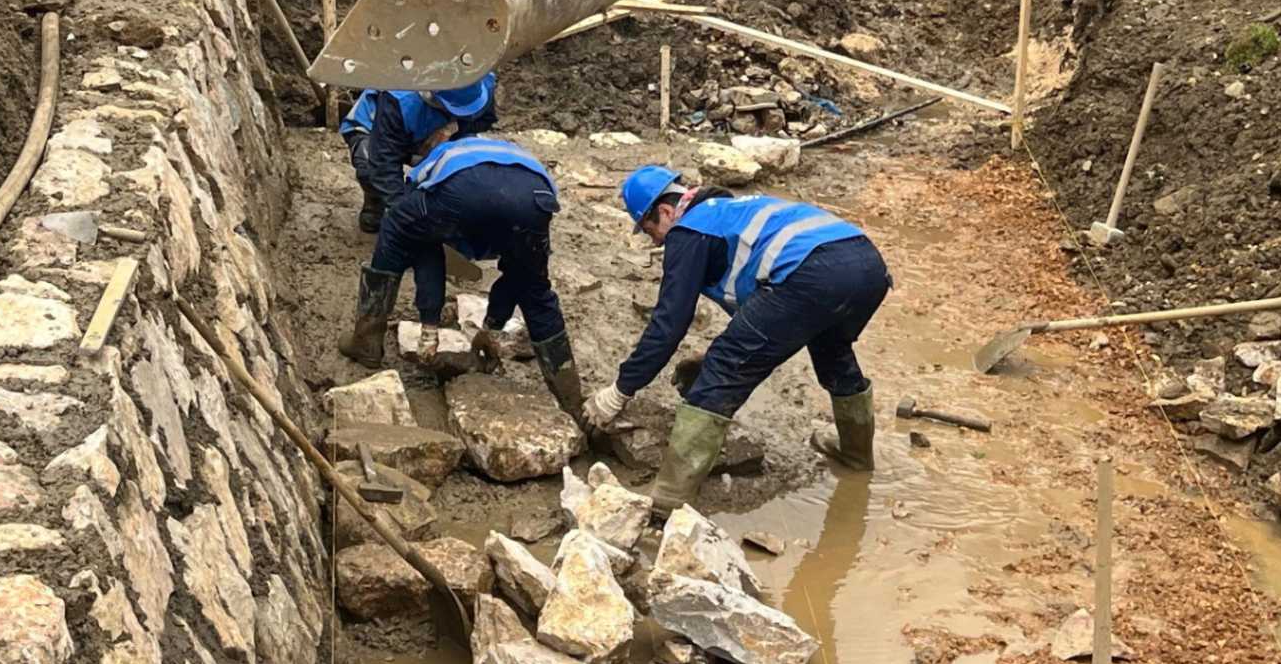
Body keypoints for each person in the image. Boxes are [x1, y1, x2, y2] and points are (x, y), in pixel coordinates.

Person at [588, 165, 894, 511]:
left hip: (814, 274)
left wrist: (621, 390)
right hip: (867, 265)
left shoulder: (688, 231)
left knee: (725, 369)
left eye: (650, 230)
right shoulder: (730, 214)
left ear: (665, 211)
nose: (656, 241)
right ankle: (856, 457)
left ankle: (668, 504)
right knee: (832, 350)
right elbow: (767, 317)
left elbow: (668, 324)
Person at [350, 126, 598, 435]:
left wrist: (430, 325)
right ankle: (572, 402)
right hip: (535, 198)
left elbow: (428, 254)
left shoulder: (428, 169)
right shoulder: (504, 150)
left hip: (462, 191)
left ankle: (366, 339)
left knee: (396, 228)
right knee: (533, 286)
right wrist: (490, 328)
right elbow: (514, 277)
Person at [335, 72, 495, 236]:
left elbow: (480, 124)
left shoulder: (482, 82)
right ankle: (374, 201)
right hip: (375, 129)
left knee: (460, 162)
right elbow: (384, 163)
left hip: (430, 128)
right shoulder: (399, 99)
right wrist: (405, 215)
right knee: (369, 164)